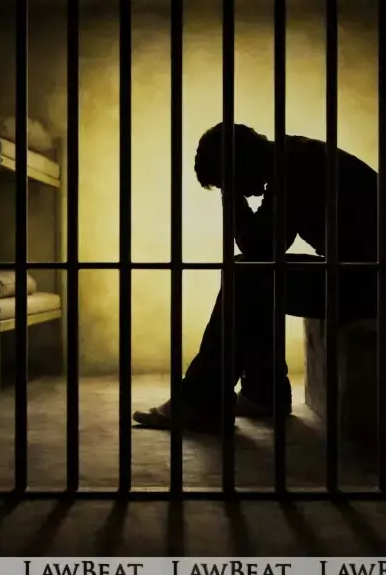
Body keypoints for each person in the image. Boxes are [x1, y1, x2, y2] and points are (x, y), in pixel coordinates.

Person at [133, 123, 379, 431]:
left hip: (370, 282)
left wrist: (232, 198)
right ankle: (262, 392)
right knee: (253, 271)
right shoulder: (293, 159)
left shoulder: (295, 166)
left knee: (250, 274)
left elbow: (261, 244)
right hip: (363, 274)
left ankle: (202, 399)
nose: (244, 191)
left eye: (228, 182)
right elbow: (262, 246)